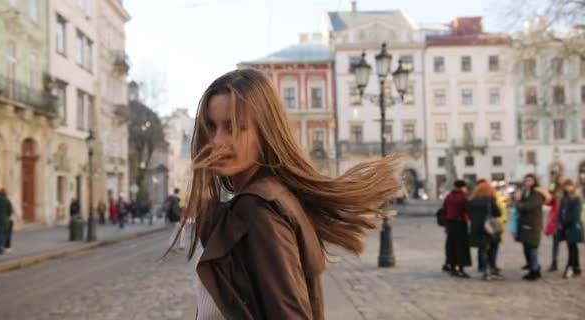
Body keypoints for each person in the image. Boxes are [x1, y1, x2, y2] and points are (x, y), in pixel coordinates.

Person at [168, 69, 402, 319]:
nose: (218, 141)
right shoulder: (272, 197)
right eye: (211, 127)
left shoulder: (257, 211)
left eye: (235, 127)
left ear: (264, 132)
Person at [515, 174, 551, 281]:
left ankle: (534, 270)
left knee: (532, 248)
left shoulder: (536, 194)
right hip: (525, 224)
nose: (527, 182)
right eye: (526, 180)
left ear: (534, 181)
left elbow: (528, 206)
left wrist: (518, 204)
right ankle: (532, 268)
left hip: (532, 225)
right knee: (527, 248)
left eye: (529, 180)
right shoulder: (525, 192)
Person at [467, 181, 502, 280]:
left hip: (477, 229)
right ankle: (492, 268)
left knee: (482, 249)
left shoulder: (471, 201)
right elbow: (498, 213)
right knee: (493, 249)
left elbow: (469, 216)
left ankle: (486, 270)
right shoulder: (490, 200)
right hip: (489, 228)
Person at [442, 180, 472, 278]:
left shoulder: (449, 196)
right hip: (460, 224)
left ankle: (452, 268)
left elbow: (444, 209)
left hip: (450, 225)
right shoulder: (463, 197)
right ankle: (461, 269)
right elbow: (467, 209)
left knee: (451, 247)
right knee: (461, 247)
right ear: (462, 187)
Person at [556, 179, 583, 278]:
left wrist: (564, 222)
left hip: (573, 226)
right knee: (571, 246)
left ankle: (570, 267)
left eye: (570, 186)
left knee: (572, 246)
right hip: (565, 226)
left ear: (574, 187)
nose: (568, 188)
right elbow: (560, 211)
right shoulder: (564, 198)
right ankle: (576, 268)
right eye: (566, 186)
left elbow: (575, 214)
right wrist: (559, 221)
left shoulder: (577, 199)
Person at [544, 174, 565, 272]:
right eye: (560, 178)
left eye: (562, 178)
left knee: (571, 243)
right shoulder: (553, 186)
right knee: (555, 242)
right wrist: (551, 192)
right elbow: (548, 201)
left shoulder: (567, 189)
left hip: (566, 218)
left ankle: (572, 264)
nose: (561, 179)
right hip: (555, 218)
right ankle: (554, 263)